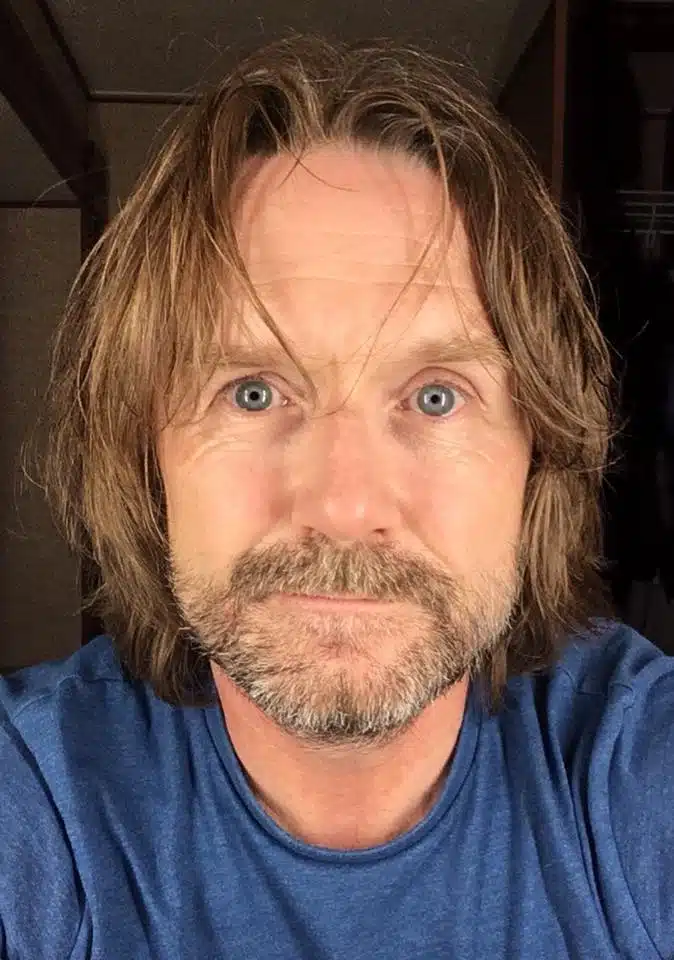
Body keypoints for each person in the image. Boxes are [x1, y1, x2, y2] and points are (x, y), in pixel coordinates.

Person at [1, 34, 672, 960]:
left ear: (540, 452)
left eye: (436, 396)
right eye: (252, 392)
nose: (345, 507)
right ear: (146, 454)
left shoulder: (633, 768)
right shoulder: (37, 798)